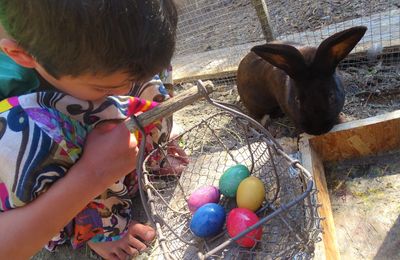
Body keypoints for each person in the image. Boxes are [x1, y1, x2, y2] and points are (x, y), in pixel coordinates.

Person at [0, 1, 183, 259]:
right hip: (56, 151)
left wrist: (123, 91)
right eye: (104, 88)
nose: (124, 90)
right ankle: (94, 227)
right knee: (24, 138)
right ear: (23, 55)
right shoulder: (15, 108)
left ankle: (149, 151)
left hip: (85, 76)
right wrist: (93, 173)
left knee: (144, 71)